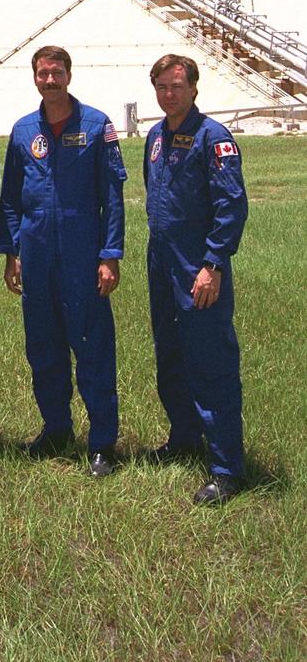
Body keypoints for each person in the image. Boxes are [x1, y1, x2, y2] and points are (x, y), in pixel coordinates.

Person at [0, 45, 126, 477]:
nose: (49, 80)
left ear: (69, 75)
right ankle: (56, 428)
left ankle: (103, 442)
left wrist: (109, 255)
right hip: (35, 257)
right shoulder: (21, 130)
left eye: (56, 73)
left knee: (91, 348)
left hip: (81, 255)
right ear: (34, 77)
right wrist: (12, 252)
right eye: (42, 74)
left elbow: (112, 198)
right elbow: (10, 200)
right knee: (44, 348)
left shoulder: (96, 126)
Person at [144, 54, 248, 505]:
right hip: (161, 263)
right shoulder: (154, 136)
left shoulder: (214, 138)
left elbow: (231, 207)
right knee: (170, 356)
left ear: (193, 88)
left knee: (211, 363)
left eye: (177, 86)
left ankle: (227, 468)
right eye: (162, 87)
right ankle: (184, 438)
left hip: (198, 265)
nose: (170, 94)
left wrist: (213, 264)